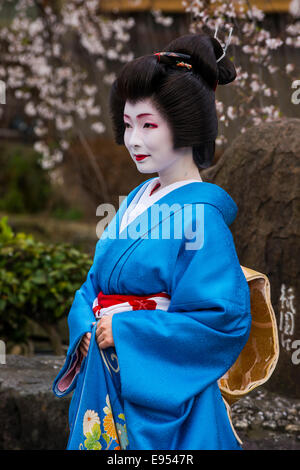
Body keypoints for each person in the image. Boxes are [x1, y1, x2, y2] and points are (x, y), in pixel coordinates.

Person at [53, 29, 252, 450]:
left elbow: (220, 319)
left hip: (162, 398)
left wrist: (126, 330)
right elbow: (95, 281)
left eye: (148, 125)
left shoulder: (201, 216)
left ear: (186, 126)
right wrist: (87, 327)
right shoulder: (141, 197)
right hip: (107, 373)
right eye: (127, 125)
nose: (133, 140)